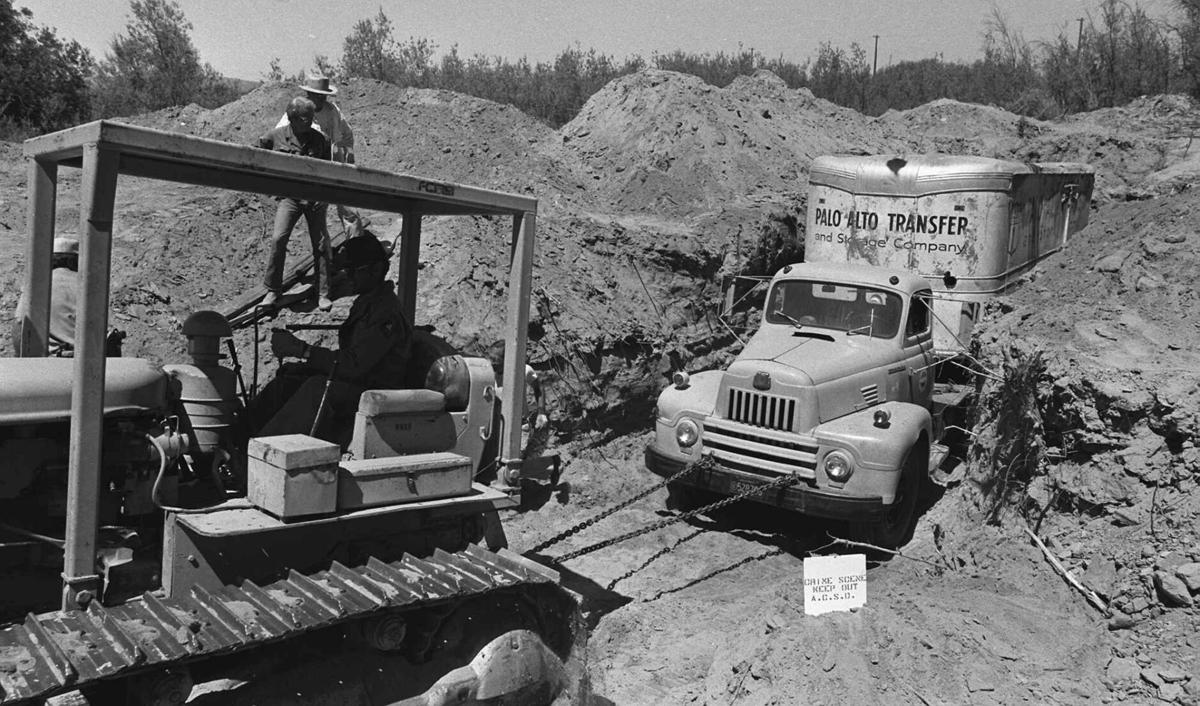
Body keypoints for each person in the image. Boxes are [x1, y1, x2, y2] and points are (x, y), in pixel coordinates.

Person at [249, 234, 413, 443]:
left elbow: (355, 365)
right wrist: (306, 365)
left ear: (377, 269)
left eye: (354, 271)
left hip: (377, 392)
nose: (349, 276)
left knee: (317, 389)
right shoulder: (368, 302)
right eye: (347, 270)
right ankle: (238, 440)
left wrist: (304, 351)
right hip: (359, 384)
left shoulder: (385, 313)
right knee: (289, 379)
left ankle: (262, 456)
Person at [255, 96, 335, 311]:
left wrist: (324, 196)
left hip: (315, 198)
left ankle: (324, 293)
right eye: (305, 118)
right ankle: (272, 290)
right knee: (278, 238)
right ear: (293, 118)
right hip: (290, 197)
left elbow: (328, 170)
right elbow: (256, 155)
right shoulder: (275, 137)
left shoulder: (322, 141)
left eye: (311, 118)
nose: (310, 121)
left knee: (321, 244)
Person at [11, 235, 79, 355]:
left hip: (50, 362)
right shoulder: (90, 287)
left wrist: (21, 357)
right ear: (73, 261)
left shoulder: (36, 285)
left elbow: (20, 324)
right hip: (87, 361)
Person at [277, 73, 355, 166]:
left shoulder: (332, 111)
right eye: (318, 95)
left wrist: (345, 152)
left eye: (323, 95)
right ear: (309, 94)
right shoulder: (296, 110)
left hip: (329, 163)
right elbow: (280, 134)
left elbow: (347, 134)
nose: (321, 98)